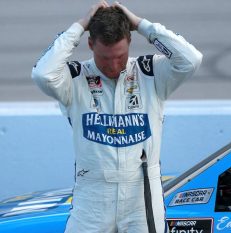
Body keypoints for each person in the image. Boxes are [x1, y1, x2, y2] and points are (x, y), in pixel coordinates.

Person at [31, 1, 202, 232]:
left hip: (142, 193)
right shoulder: (74, 78)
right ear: (90, 44)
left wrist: (142, 25)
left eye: (120, 57)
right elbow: (42, 74)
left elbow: (191, 59)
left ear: (130, 41)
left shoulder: (150, 72)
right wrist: (79, 27)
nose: (112, 65)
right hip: (92, 195)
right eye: (105, 58)